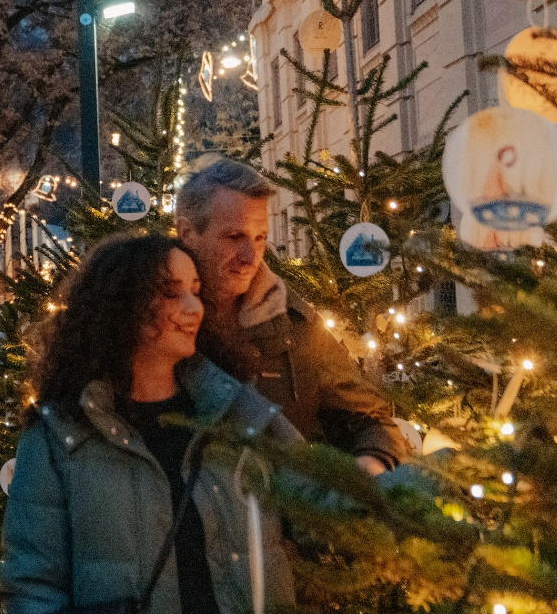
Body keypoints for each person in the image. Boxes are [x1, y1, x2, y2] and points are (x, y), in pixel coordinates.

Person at [0, 232, 300, 614]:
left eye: (196, 290)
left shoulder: (236, 411)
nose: (195, 307)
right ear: (122, 306)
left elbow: (325, 500)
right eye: (172, 293)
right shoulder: (60, 436)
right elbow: (32, 586)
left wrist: (387, 489)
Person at [174, 158, 412, 474]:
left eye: (259, 238)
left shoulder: (295, 325)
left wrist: (367, 468)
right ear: (187, 233)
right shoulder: (155, 325)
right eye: (234, 237)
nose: (251, 257)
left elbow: (372, 418)